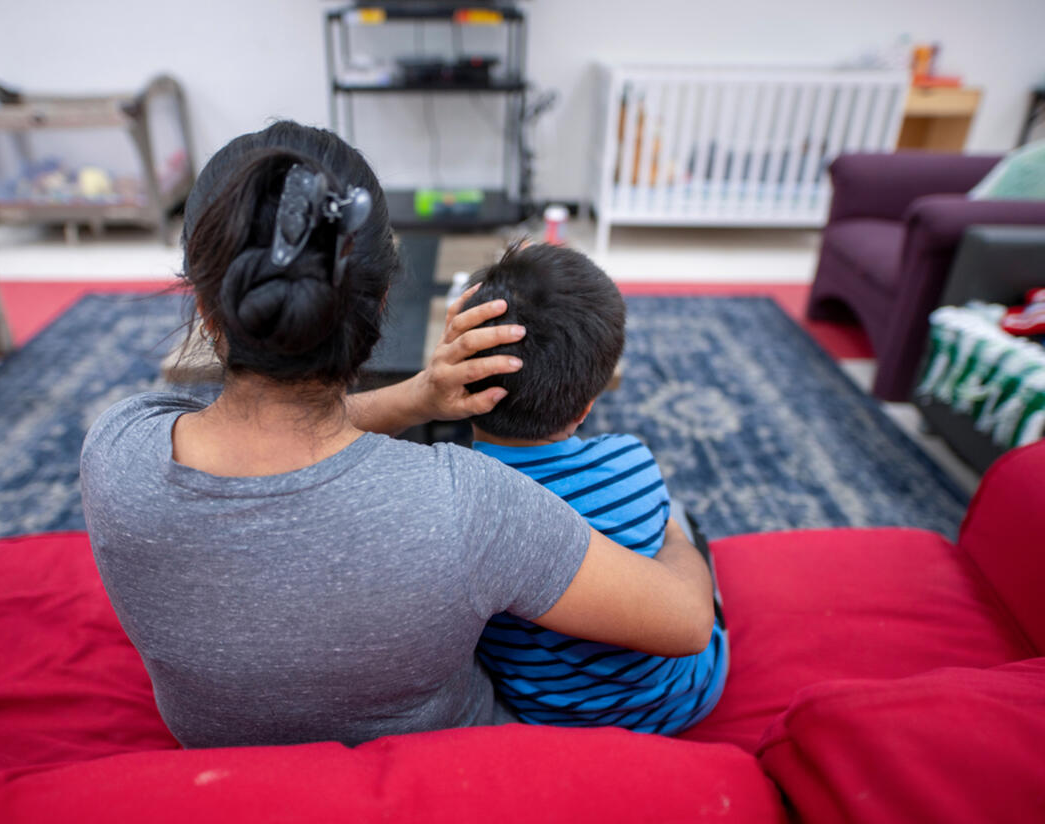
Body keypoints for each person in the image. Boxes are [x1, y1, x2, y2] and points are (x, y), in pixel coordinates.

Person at [80, 121, 714, 749]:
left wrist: (417, 398)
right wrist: (678, 535)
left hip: (213, 762)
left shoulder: (117, 450)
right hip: (444, 768)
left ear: (207, 309)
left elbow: (263, 436)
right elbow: (686, 624)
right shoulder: (469, 503)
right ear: (382, 304)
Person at [463, 243, 729, 734]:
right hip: (682, 700)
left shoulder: (454, 499)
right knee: (680, 519)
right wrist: (674, 537)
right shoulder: (631, 460)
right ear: (587, 405)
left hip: (547, 714)